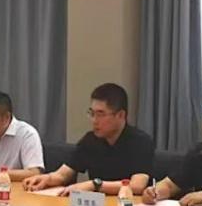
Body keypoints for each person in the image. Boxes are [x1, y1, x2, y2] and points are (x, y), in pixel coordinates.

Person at [24, 83, 152, 195]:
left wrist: (95, 185)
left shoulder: (140, 141)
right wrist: (46, 179)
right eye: (92, 113)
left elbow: (137, 185)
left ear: (120, 115)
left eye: (100, 114)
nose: (94, 120)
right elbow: (63, 174)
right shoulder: (91, 140)